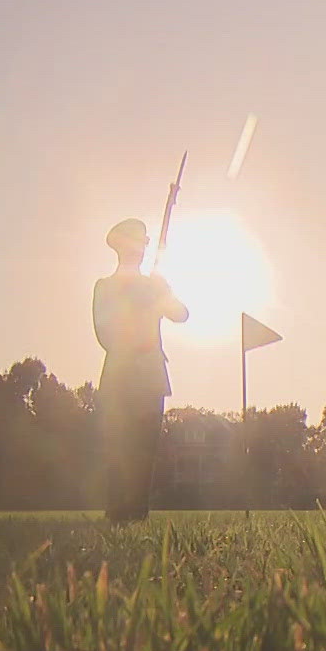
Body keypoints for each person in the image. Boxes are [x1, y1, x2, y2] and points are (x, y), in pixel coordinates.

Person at [92, 218, 187, 522]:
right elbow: (104, 333)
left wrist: (162, 290)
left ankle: (137, 514)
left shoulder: (154, 286)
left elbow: (181, 315)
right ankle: (117, 512)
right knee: (119, 447)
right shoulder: (106, 287)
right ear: (121, 247)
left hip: (150, 378)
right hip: (121, 378)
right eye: (136, 243)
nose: (141, 250)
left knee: (145, 449)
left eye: (143, 244)